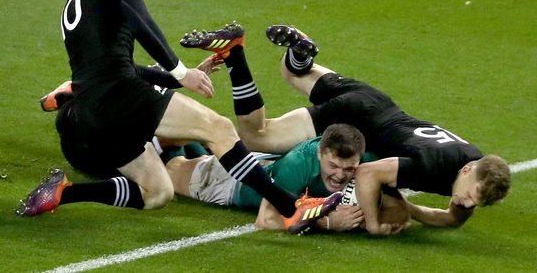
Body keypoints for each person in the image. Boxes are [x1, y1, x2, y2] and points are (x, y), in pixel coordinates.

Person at [17, 0, 341, 234]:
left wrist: (174, 78)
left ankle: (63, 192)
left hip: (90, 109)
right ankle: (290, 209)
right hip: (118, 95)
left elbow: (121, 62)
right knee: (219, 129)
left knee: (158, 192)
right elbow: (142, 23)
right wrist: (180, 72)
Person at [183, 22, 511, 235]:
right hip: (355, 119)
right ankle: (235, 54)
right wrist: (373, 224)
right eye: (468, 197)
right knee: (257, 135)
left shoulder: (475, 159)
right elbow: (368, 173)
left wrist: (424, 211)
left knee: (291, 73)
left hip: (373, 101)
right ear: (467, 170)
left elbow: (453, 216)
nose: (466, 204)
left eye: (473, 204)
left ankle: (299, 55)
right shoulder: (431, 168)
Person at [166, 124, 388, 232]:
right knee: (170, 171)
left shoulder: (368, 164)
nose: (340, 176)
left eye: (349, 169)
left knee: (196, 150)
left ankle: (187, 138)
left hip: (264, 162)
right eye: (333, 166)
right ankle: (153, 121)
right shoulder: (298, 163)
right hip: (233, 183)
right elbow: (266, 220)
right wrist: (328, 222)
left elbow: (396, 205)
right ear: (320, 153)